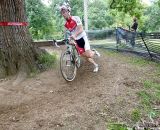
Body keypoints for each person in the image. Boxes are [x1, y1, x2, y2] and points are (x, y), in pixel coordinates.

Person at [60, 5, 100, 72]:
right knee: (85, 56)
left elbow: (81, 29)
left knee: (89, 54)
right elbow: (67, 34)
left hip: (82, 38)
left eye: (64, 12)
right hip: (77, 41)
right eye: (62, 13)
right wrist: (68, 39)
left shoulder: (76, 18)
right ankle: (96, 65)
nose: (63, 14)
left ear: (68, 11)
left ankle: (94, 51)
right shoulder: (66, 24)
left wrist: (74, 35)